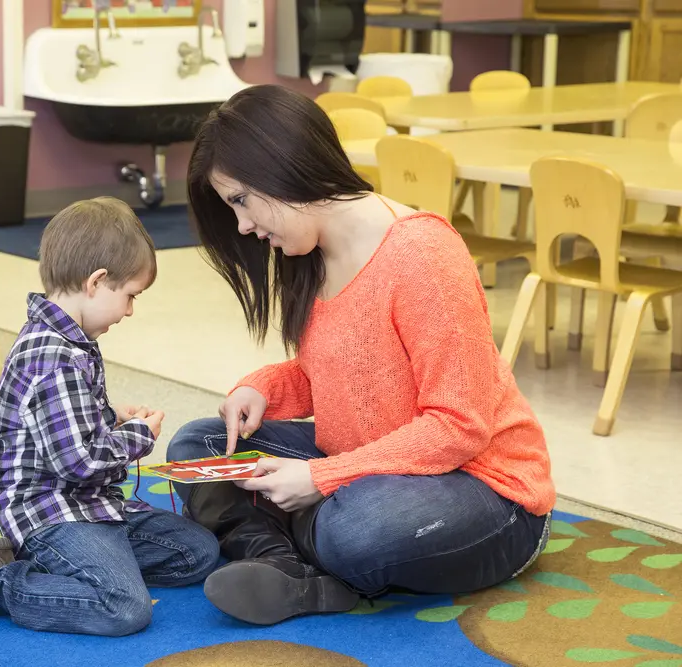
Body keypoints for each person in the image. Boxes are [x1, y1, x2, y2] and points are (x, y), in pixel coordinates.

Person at [167, 84, 556, 627]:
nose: (243, 226)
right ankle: (285, 565)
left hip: (484, 489)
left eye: (240, 200)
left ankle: (300, 539)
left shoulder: (422, 254)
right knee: (201, 448)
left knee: (357, 528)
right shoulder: (312, 252)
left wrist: (321, 479)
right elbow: (335, 372)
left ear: (283, 168)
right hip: (367, 464)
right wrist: (260, 388)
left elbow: (459, 426)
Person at [0, 197, 220, 636]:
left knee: (197, 553)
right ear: (96, 282)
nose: (130, 310)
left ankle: (67, 566)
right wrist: (136, 435)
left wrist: (109, 415)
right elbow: (79, 463)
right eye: (130, 296)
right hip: (53, 512)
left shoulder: (69, 340)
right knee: (124, 608)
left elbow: (62, 421)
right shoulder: (54, 356)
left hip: (93, 505)